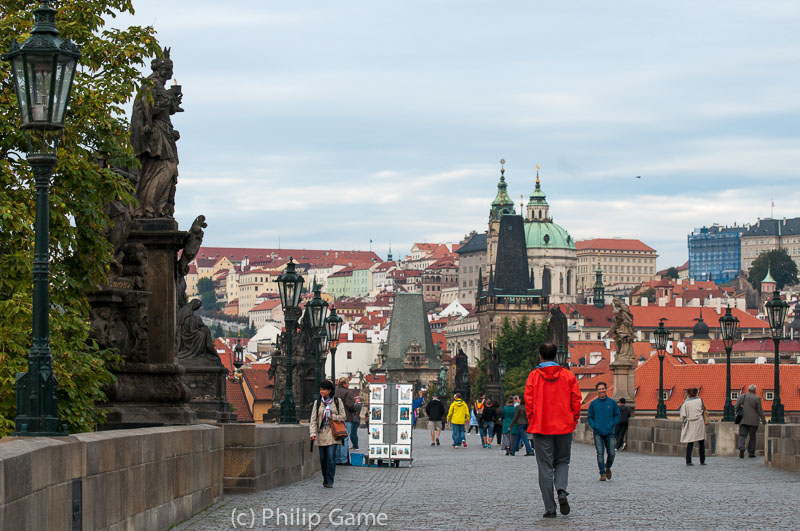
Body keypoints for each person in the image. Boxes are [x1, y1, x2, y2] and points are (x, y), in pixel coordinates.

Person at [525, 342, 581, 518]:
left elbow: (529, 402)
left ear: (540, 356)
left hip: (541, 427)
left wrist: (533, 419)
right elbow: (576, 400)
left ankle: (550, 508)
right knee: (563, 461)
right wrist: (573, 419)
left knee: (545, 466)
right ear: (556, 356)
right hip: (564, 425)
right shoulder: (568, 376)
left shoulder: (534, 376)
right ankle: (562, 491)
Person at [310, 380, 346, 487]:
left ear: (329, 391)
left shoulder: (337, 401)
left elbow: (343, 416)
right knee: (323, 458)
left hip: (333, 433)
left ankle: (330, 480)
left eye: (324, 389)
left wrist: (333, 417)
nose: (322, 391)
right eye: (321, 389)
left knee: (331, 457)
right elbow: (313, 419)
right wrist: (312, 433)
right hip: (321, 433)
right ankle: (325, 478)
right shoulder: (318, 403)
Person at [587, 382, 620, 480]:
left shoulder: (612, 403)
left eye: (603, 389)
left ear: (606, 389)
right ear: (597, 391)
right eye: (599, 389)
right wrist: (594, 426)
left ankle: (608, 467)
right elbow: (590, 417)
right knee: (600, 452)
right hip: (598, 432)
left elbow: (617, 415)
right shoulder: (593, 404)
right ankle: (602, 473)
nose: (601, 391)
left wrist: (612, 424)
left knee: (611, 453)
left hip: (609, 432)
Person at [734, 384, 767, 458]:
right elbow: (760, 410)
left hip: (743, 419)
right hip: (753, 420)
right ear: (755, 390)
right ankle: (751, 452)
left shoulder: (742, 396)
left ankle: (741, 448)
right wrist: (763, 420)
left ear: (748, 390)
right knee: (752, 436)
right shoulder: (757, 398)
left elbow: (736, 406)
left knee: (742, 435)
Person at [333, 377, 358, 465]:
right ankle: (343, 459)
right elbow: (350, 405)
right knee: (345, 438)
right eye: (347, 384)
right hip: (346, 418)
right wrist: (354, 410)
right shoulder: (346, 392)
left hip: (336, 418)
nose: (348, 385)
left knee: (338, 438)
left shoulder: (335, 391)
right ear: (344, 384)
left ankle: (336, 459)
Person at [680, 387, 706, 466]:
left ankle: (688, 460)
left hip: (690, 422)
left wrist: (684, 423)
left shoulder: (686, 403)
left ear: (688, 394)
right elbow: (703, 409)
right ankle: (702, 460)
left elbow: (683, 416)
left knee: (690, 442)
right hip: (699, 422)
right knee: (701, 442)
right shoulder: (700, 400)